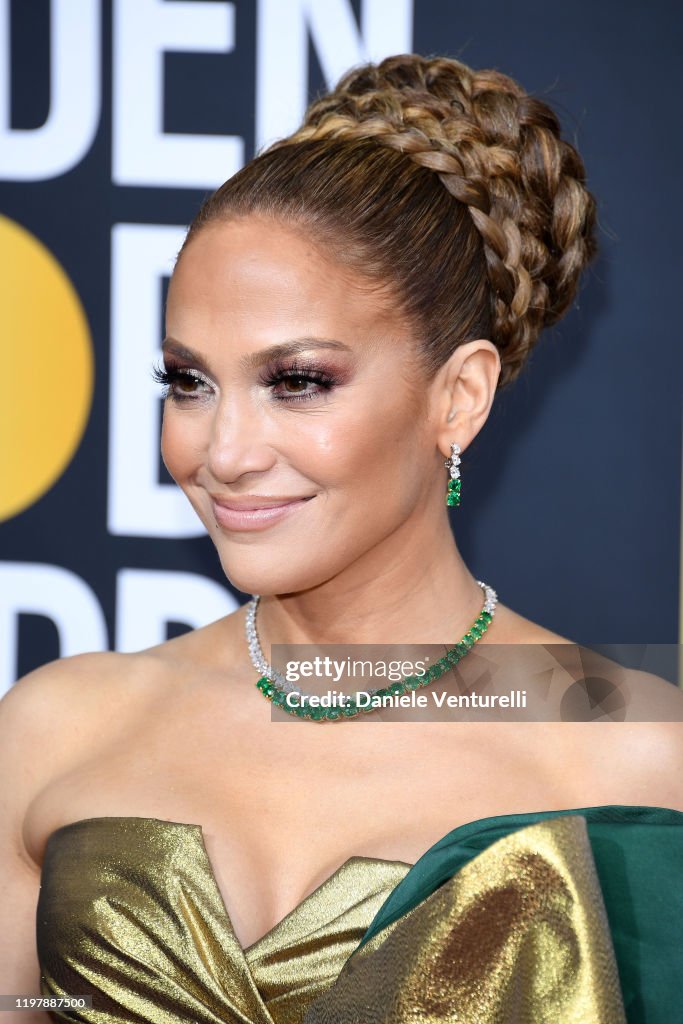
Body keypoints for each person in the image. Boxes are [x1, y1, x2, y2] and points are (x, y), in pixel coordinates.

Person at [1, 52, 682, 1024]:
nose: (221, 451)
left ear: (458, 396)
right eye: (188, 382)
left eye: (298, 381)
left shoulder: (638, 763)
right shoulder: (54, 728)